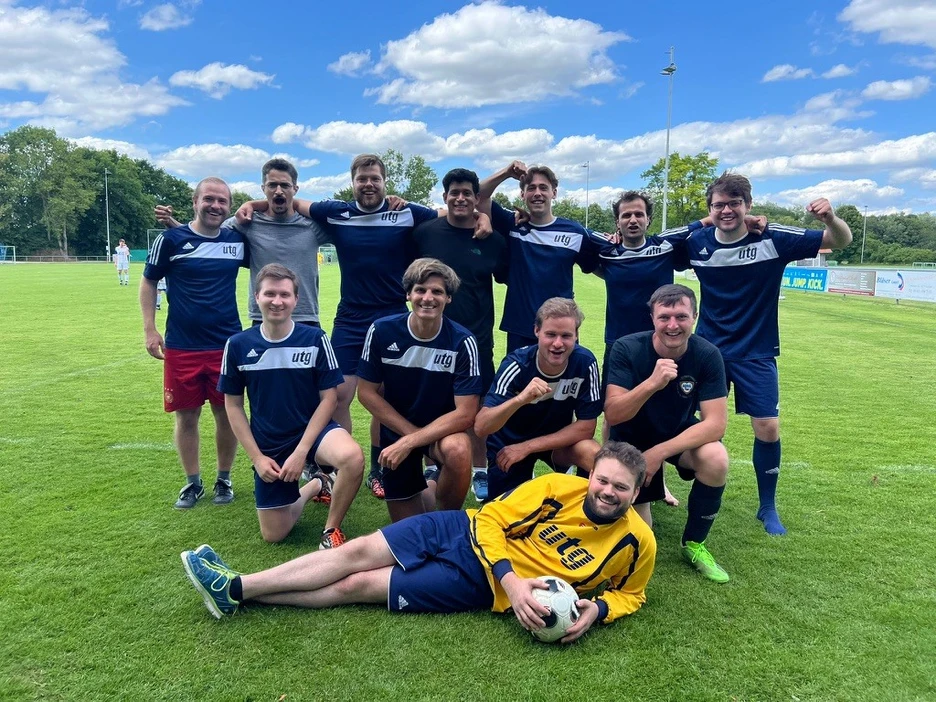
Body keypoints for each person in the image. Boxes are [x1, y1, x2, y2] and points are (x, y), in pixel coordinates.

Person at [181, 441, 657, 645]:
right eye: (602, 480)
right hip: (459, 529)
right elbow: (490, 519)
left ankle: (238, 593)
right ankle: (238, 586)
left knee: (358, 586)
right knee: (354, 552)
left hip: (473, 585)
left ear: (636, 494)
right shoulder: (556, 487)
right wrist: (513, 583)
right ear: (591, 475)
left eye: (620, 488)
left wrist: (596, 610)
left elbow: (631, 594)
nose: (607, 492)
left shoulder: (639, 542)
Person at [237, 155, 491, 501]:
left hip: (392, 315)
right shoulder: (337, 212)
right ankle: (337, 467)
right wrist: (251, 203)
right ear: (353, 182)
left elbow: (451, 214)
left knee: (385, 394)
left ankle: (377, 468)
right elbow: (290, 199)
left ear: (385, 182)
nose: (368, 184)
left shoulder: (406, 211)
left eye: (374, 178)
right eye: (362, 179)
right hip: (351, 317)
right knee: (340, 394)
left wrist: (484, 216)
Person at [673, 172, 853, 535]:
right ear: (709, 209)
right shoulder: (698, 243)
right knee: (700, 426)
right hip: (709, 351)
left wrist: (830, 218)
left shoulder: (774, 239)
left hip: (756, 349)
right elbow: (657, 244)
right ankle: (696, 472)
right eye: (719, 205)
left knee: (767, 427)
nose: (727, 210)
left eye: (734, 204)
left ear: (748, 205)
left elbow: (841, 241)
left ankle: (767, 507)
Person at [218, 264, 364, 549]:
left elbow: (329, 399)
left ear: (296, 300)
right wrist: (258, 458)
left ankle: (331, 530)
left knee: (351, 457)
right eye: (269, 294)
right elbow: (233, 406)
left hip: (315, 433)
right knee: (275, 534)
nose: (277, 301)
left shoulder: (315, 339)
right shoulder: (238, 344)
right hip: (270, 442)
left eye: (285, 294)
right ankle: (317, 485)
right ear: (256, 296)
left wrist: (301, 452)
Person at [605, 284, 730, 582]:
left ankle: (695, 544)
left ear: (695, 317)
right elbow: (613, 413)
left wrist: (658, 454)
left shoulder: (708, 354)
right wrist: (652, 383)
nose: (672, 325)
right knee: (641, 536)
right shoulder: (626, 348)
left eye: (681, 317)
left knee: (716, 457)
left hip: (674, 437)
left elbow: (715, 424)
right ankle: (643, 493)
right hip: (630, 439)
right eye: (664, 317)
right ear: (652, 318)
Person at [140, 177, 248, 509]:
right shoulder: (169, 240)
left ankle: (224, 479)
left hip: (226, 345)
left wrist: (253, 207)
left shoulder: (236, 241)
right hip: (182, 346)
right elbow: (148, 282)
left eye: (222, 201)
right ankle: (192, 482)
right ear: (195, 201)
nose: (216, 206)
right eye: (209, 199)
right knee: (186, 417)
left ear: (229, 207)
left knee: (226, 414)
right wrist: (150, 329)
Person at [356, 258, 481, 522]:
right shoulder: (381, 330)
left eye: (437, 291)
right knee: (409, 526)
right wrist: (408, 437)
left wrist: (414, 441)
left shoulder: (462, 341)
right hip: (397, 431)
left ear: (448, 298)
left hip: (442, 433)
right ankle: (433, 482)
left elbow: (466, 414)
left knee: (459, 449)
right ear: (408, 294)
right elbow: (366, 393)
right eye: (420, 290)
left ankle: (447, 520)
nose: (428, 298)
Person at [412, 168, 509, 502]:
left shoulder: (492, 240)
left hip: (477, 338)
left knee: (479, 410)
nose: (461, 198)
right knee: (432, 399)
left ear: (476, 198)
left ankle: (480, 472)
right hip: (430, 336)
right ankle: (430, 464)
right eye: (454, 192)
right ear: (445, 197)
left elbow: (506, 275)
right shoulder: (425, 233)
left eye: (468, 193)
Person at [155, 158, 329, 329]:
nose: (278, 191)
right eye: (272, 185)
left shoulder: (312, 225)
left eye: (284, 185)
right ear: (263, 188)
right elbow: (203, 233)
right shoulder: (247, 221)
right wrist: (173, 223)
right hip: (263, 317)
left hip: (306, 317)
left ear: (295, 189)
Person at [474, 298, 602, 500]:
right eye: (550, 334)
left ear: (576, 336)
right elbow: (481, 426)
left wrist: (528, 447)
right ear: (537, 331)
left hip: (556, 441)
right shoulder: (517, 365)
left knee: (595, 455)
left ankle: (590, 511)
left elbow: (586, 427)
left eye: (566, 336)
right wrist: (521, 399)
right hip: (509, 443)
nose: (558, 343)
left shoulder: (585, 363)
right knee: (507, 509)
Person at [479, 162, 601, 352]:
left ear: (554, 193)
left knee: (563, 382)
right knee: (520, 383)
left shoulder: (575, 232)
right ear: (522, 194)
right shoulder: (513, 224)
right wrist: (506, 172)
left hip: (560, 331)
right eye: (531, 188)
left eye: (544, 188)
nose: (537, 193)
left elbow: (595, 267)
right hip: (521, 329)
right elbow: (479, 195)